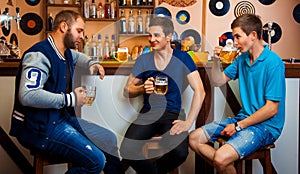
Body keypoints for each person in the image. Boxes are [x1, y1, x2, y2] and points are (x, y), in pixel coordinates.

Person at [9, 10, 123, 174]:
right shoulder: (38, 55)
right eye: (79, 30)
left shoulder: (65, 51)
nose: (82, 36)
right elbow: (27, 96)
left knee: (109, 139)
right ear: (64, 26)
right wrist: (71, 99)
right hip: (40, 127)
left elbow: (78, 57)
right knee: (97, 162)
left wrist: (92, 63)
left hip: (60, 119)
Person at [189, 14, 286, 174]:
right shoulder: (242, 60)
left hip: (266, 127)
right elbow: (218, 80)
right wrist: (215, 59)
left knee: (221, 158)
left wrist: (237, 126)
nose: (234, 42)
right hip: (242, 119)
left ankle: (223, 163)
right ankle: (226, 167)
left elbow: (271, 109)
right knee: (194, 138)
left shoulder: (273, 63)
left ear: (253, 35)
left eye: (237, 36)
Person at [120, 16, 206, 174]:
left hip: (173, 113)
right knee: (127, 149)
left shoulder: (183, 57)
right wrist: (141, 89)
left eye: (156, 35)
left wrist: (188, 122)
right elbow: (127, 90)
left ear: (169, 36)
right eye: (150, 35)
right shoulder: (144, 59)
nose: (151, 39)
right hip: (149, 113)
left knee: (180, 152)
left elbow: (200, 91)